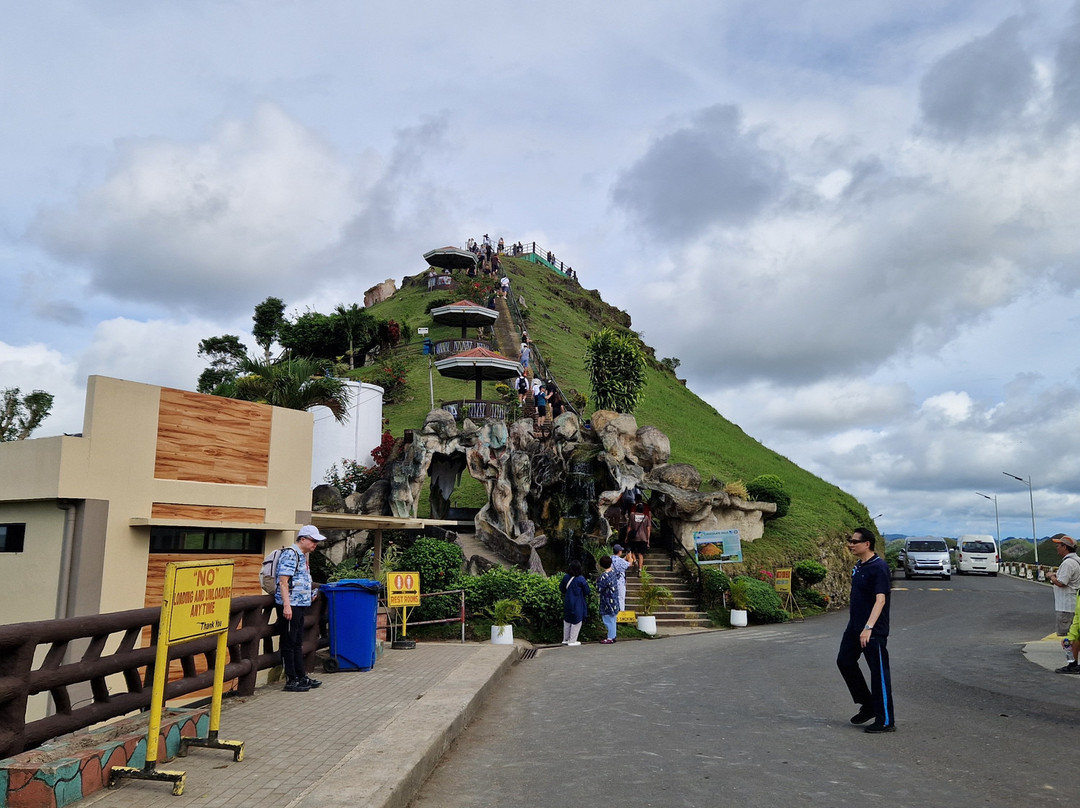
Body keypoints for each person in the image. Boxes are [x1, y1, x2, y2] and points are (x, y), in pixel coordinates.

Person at [836, 527, 895, 733]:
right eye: (850, 541)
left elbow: (881, 600)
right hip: (854, 627)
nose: (850, 545)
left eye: (854, 542)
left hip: (873, 630)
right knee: (844, 661)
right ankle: (868, 704)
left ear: (867, 544)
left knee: (878, 673)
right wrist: (858, 626)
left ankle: (886, 720)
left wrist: (868, 627)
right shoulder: (859, 566)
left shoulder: (879, 567)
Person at [275, 525, 326, 692]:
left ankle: (301, 675)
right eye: (313, 540)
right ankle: (291, 679)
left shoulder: (302, 556)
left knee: (297, 641)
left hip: (300, 603)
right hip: (291, 605)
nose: (315, 544)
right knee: (289, 641)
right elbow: (283, 581)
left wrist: (308, 594)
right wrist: (287, 606)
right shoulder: (290, 554)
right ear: (302, 539)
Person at [1049, 534, 1080, 668]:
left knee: (1068, 638)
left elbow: (1062, 582)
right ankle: (1074, 663)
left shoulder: (1067, 563)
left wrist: (1051, 576)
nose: (1057, 547)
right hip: (1074, 603)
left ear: (1065, 547)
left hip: (1066, 605)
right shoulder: (1077, 561)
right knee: (1076, 636)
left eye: (1059, 545)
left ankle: (1071, 663)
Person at [560, 559, 590, 645]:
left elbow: (561, 588)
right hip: (578, 603)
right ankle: (572, 640)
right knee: (577, 621)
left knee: (567, 620)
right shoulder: (581, 579)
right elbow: (587, 591)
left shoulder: (566, 577)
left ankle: (565, 639)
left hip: (567, 601)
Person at [597, 556, 619, 644]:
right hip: (614, 599)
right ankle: (613, 635)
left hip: (606, 600)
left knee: (607, 619)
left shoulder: (604, 576)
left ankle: (610, 637)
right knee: (612, 618)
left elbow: (599, 588)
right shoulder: (613, 572)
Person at [626, 501, 651, 572]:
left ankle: (634, 561)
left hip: (634, 538)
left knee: (631, 551)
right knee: (641, 554)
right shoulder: (646, 517)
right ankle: (640, 570)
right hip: (643, 538)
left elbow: (629, 528)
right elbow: (648, 529)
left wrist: (627, 537)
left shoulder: (632, 516)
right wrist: (648, 539)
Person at [610, 544, 633, 611]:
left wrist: (626, 557)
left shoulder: (610, 558)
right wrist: (630, 558)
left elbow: (620, 562)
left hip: (611, 580)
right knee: (621, 598)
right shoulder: (620, 560)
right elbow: (629, 564)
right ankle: (621, 612)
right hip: (620, 582)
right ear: (619, 552)